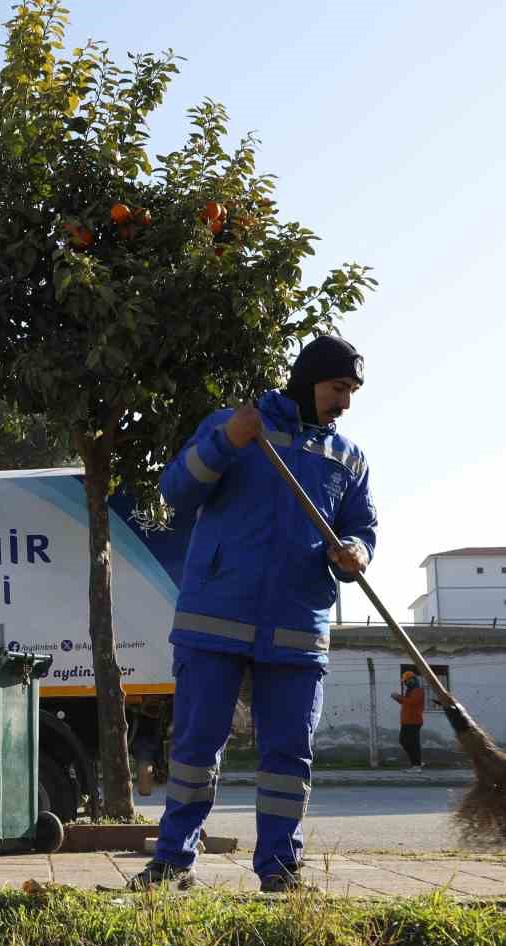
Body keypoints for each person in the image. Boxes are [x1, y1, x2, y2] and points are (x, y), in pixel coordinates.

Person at [131, 335, 377, 893]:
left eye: (352, 391)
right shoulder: (237, 427)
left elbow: (363, 528)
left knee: (289, 756)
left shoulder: (349, 458)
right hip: (215, 618)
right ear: (309, 379)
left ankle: (279, 870)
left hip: (298, 626)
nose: (345, 402)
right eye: (339, 388)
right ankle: (172, 863)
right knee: (195, 751)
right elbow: (176, 490)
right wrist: (225, 442)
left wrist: (357, 552)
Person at [392, 671, 426, 771]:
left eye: (406, 681)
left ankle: (416, 765)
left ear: (413, 680)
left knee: (413, 743)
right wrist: (398, 699)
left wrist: (399, 697)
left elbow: (413, 702)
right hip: (407, 721)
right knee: (403, 741)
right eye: (405, 681)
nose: (406, 683)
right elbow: (407, 703)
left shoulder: (418, 690)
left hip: (414, 721)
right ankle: (417, 762)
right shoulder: (410, 691)